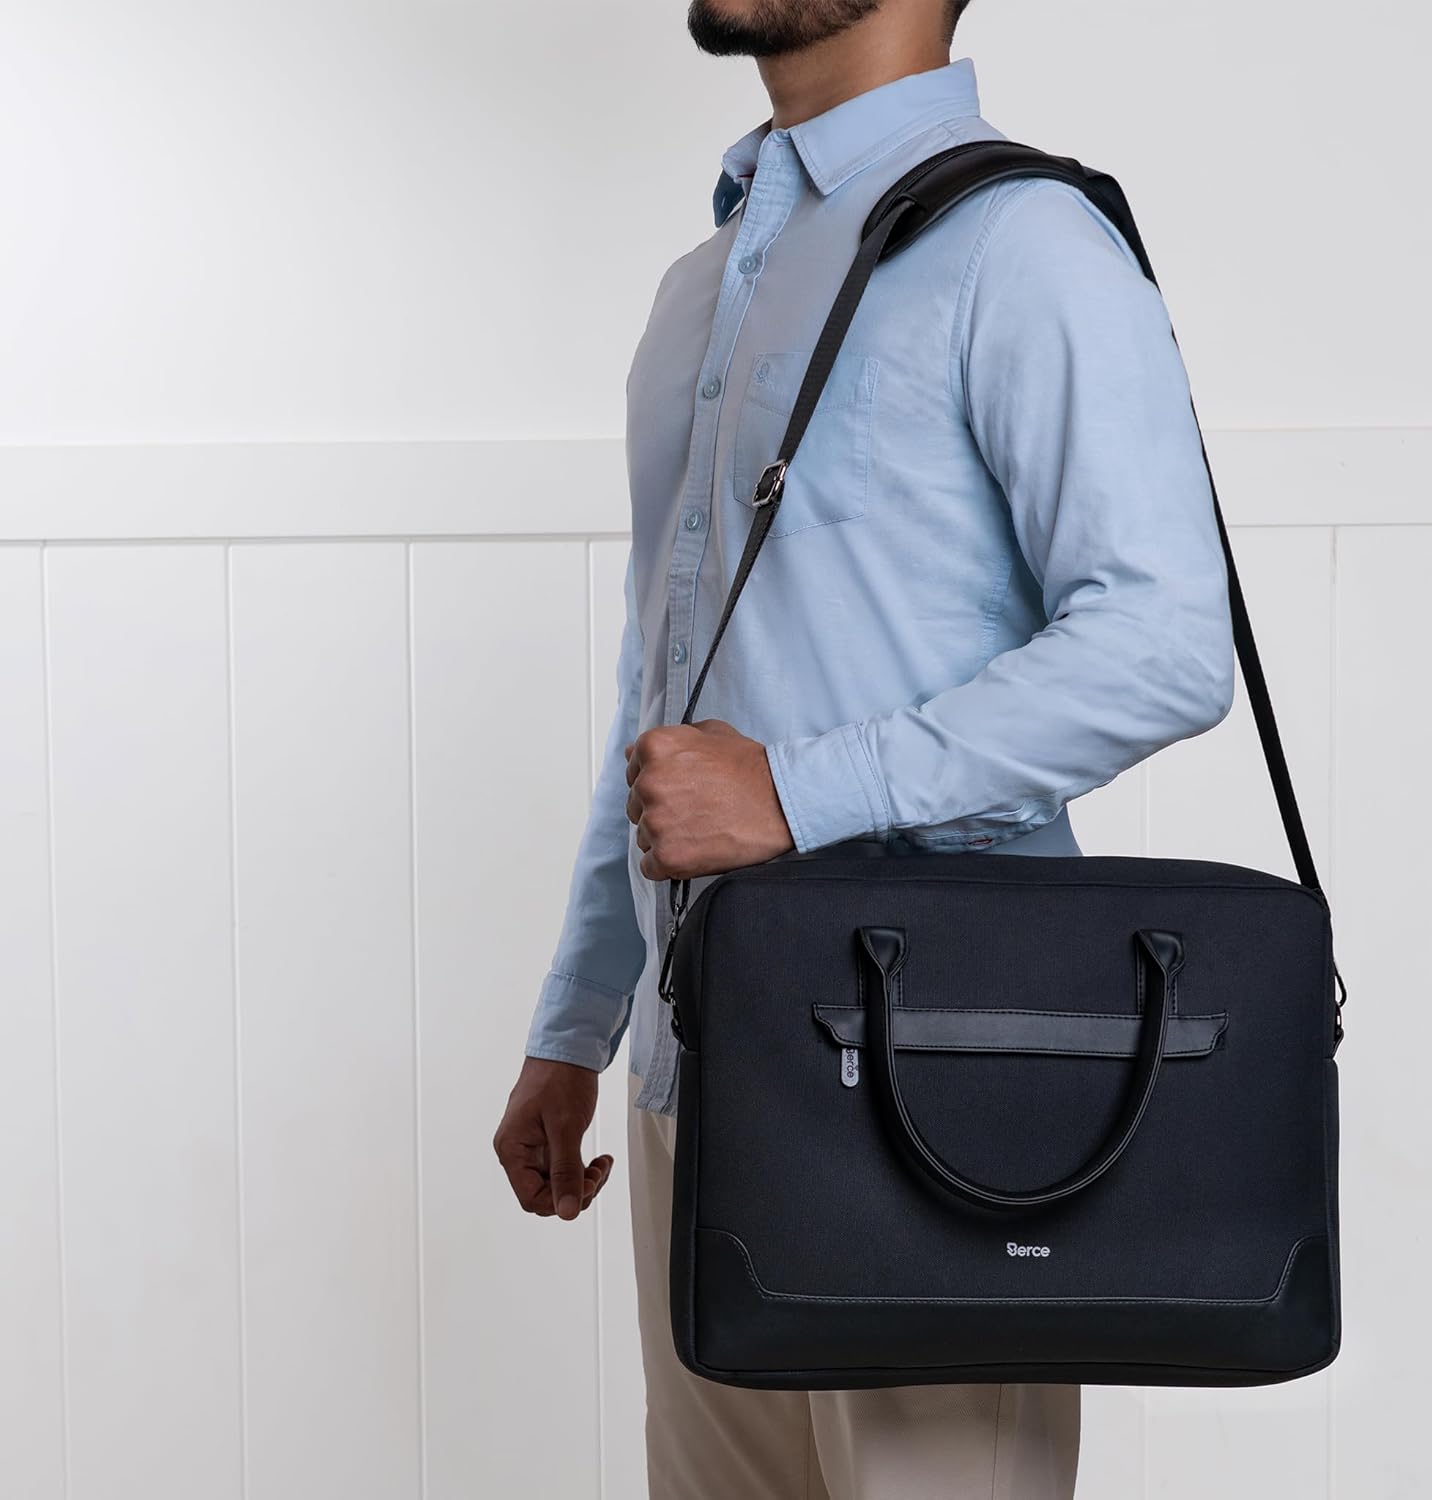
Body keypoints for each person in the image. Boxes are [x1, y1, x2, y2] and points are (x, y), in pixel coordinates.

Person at [495, 0, 1235, 1494]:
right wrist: (578, 1024)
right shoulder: (700, 287)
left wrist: (793, 791)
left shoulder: (1026, 245)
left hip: (939, 1081)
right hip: (696, 1074)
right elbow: (664, 697)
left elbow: (1163, 645)